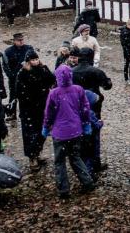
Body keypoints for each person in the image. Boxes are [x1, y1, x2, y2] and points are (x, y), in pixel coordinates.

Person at [42, 65, 95, 198]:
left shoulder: (54, 93)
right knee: (75, 157)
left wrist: (46, 127)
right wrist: (86, 124)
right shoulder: (78, 90)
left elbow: (49, 113)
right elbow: (85, 108)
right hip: (75, 131)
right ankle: (87, 183)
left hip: (59, 133)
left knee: (59, 162)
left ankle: (64, 190)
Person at [14, 51, 56, 170]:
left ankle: (37, 153)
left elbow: (52, 80)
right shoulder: (22, 73)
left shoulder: (43, 69)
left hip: (42, 107)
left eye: (37, 59)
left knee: (41, 132)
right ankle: (32, 157)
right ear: (28, 61)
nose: (35, 62)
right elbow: (19, 92)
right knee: (30, 134)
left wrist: (45, 71)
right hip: (29, 109)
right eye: (33, 60)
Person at [71, 47, 112, 120]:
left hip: (76, 100)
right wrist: (107, 80)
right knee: (95, 121)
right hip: (93, 100)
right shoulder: (96, 71)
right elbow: (107, 86)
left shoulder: (71, 71)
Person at [4, 33, 34, 119]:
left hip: (27, 76)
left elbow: (34, 60)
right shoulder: (8, 51)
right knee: (13, 96)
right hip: (14, 78)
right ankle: (12, 113)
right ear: (14, 41)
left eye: (22, 40)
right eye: (19, 40)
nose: (21, 42)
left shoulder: (29, 48)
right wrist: (11, 75)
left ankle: (27, 113)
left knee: (28, 95)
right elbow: (5, 65)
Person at [81, 90, 104, 177]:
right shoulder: (90, 113)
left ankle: (85, 175)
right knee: (90, 157)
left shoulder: (79, 111)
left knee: (84, 157)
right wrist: (100, 122)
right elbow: (96, 125)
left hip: (82, 138)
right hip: (90, 139)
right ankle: (90, 176)